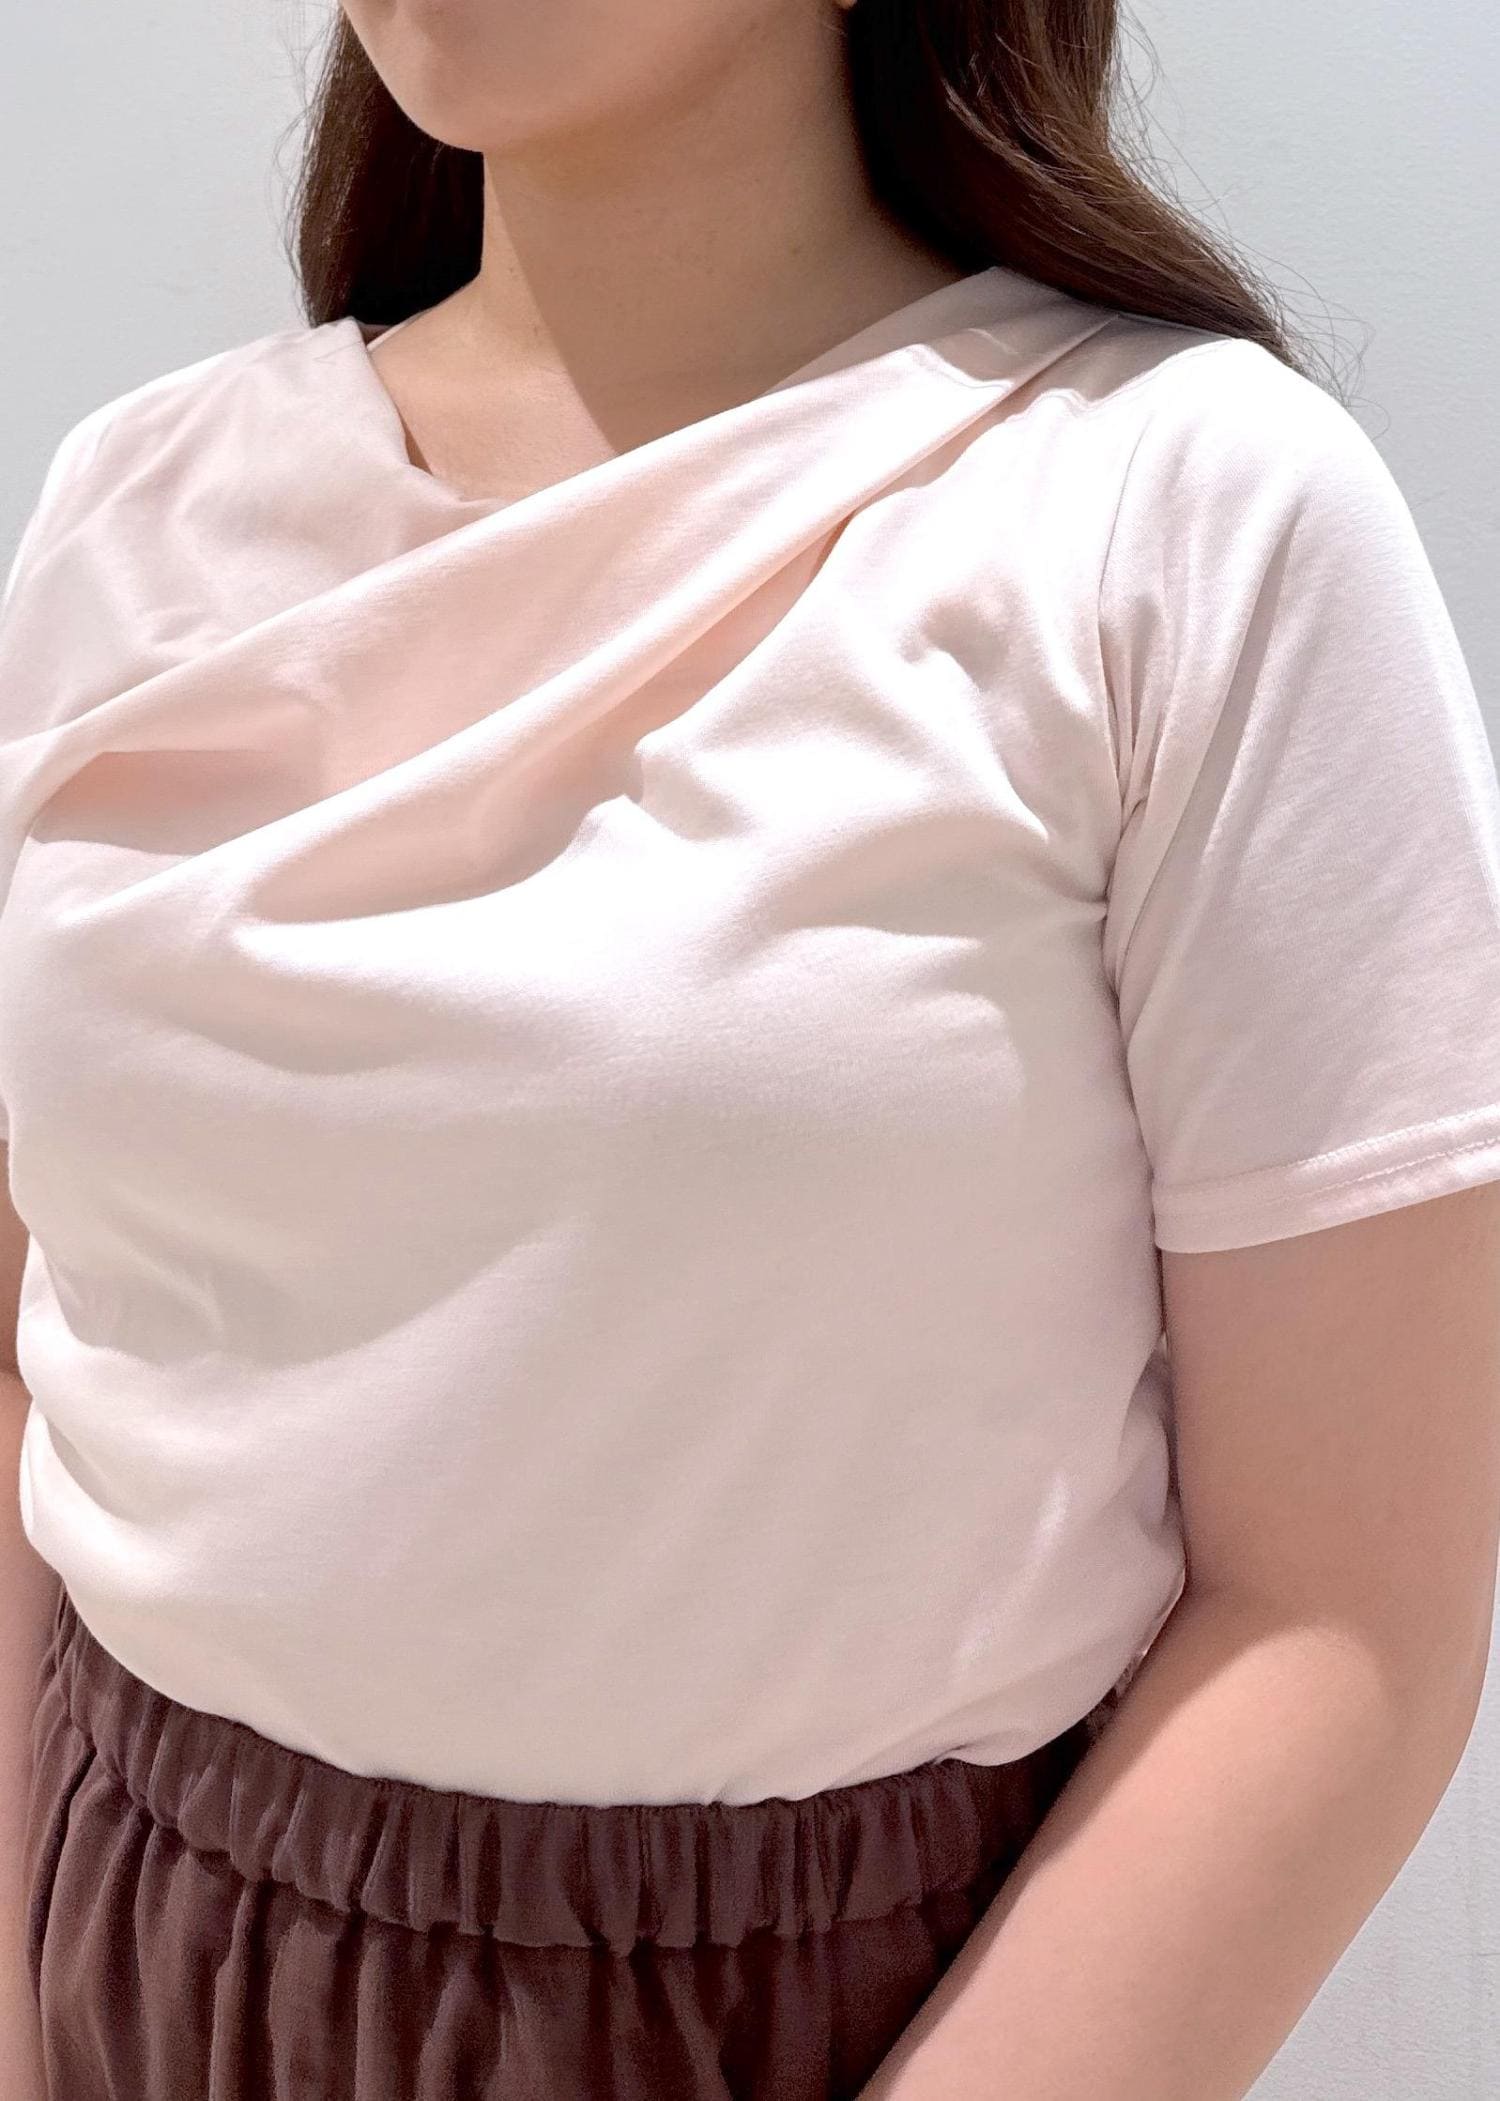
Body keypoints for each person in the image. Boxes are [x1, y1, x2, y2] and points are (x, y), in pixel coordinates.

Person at [3, 2, 1499, 2097]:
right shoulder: (132, 501)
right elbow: (48, 1347)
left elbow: (1344, 1608)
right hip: (122, 1930)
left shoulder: (1174, 511)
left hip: (825, 2019)